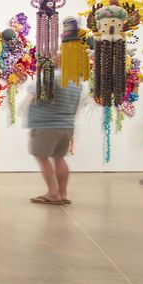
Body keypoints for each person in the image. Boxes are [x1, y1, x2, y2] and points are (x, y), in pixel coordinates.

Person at [25, 59, 88, 205]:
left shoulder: (49, 76)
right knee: (59, 157)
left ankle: (52, 193)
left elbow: (35, 96)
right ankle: (63, 193)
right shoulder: (76, 81)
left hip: (46, 125)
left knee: (42, 156)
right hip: (67, 125)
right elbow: (80, 104)